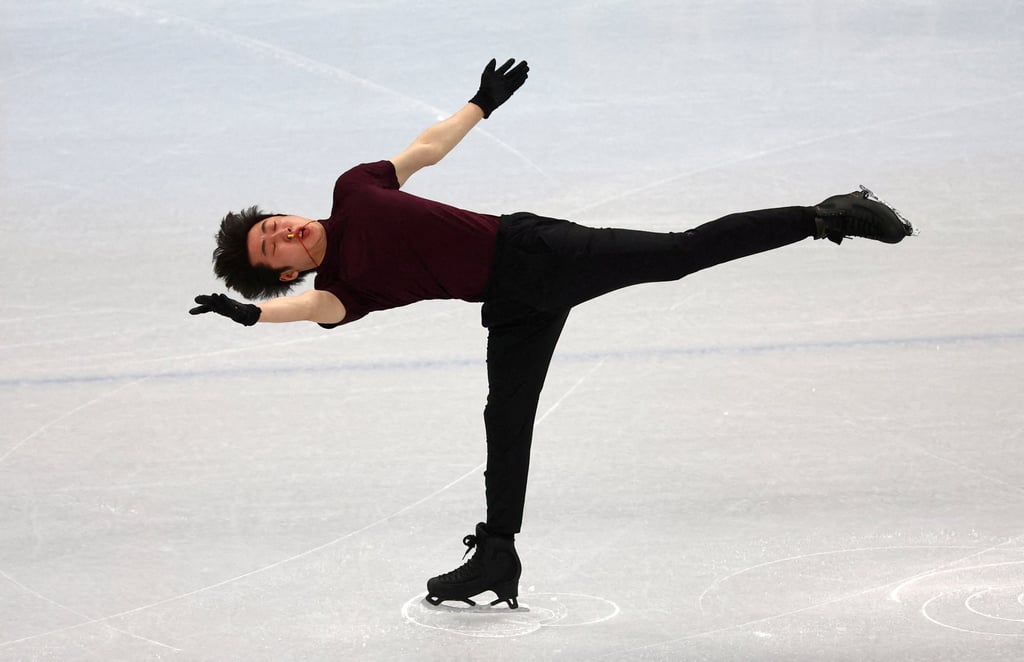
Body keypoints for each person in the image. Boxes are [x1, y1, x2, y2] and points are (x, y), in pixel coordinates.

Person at [189, 57, 915, 610]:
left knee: (676, 255)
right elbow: (312, 312)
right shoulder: (343, 289)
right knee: (506, 420)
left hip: (536, 250)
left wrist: (479, 104)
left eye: (272, 224)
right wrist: (252, 316)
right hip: (510, 304)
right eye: (271, 248)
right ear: (285, 273)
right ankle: (497, 555)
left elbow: (424, 149)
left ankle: (824, 216)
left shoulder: (354, 189)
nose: (282, 232)